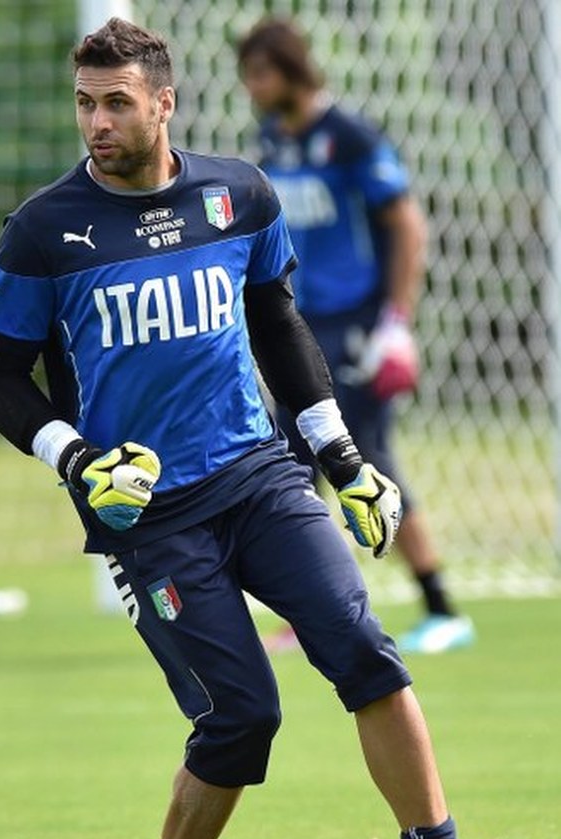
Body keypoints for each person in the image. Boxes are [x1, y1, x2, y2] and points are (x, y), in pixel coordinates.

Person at [0, 17, 521, 839]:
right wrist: (75, 458)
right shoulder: (44, 231)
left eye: (116, 103)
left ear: (164, 103)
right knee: (242, 718)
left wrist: (342, 458)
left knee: (366, 655)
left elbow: (277, 324)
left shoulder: (239, 196)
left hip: (260, 477)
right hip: (147, 517)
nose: (96, 123)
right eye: (84, 104)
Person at [236, 18, 474, 656]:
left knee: (364, 455)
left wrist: (395, 324)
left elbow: (408, 225)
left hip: (358, 326)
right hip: (300, 327)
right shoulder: (273, 141)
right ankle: (309, 612)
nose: (252, 87)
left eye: (260, 73)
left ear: (290, 70)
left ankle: (442, 608)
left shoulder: (351, 138)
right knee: (291, 465)